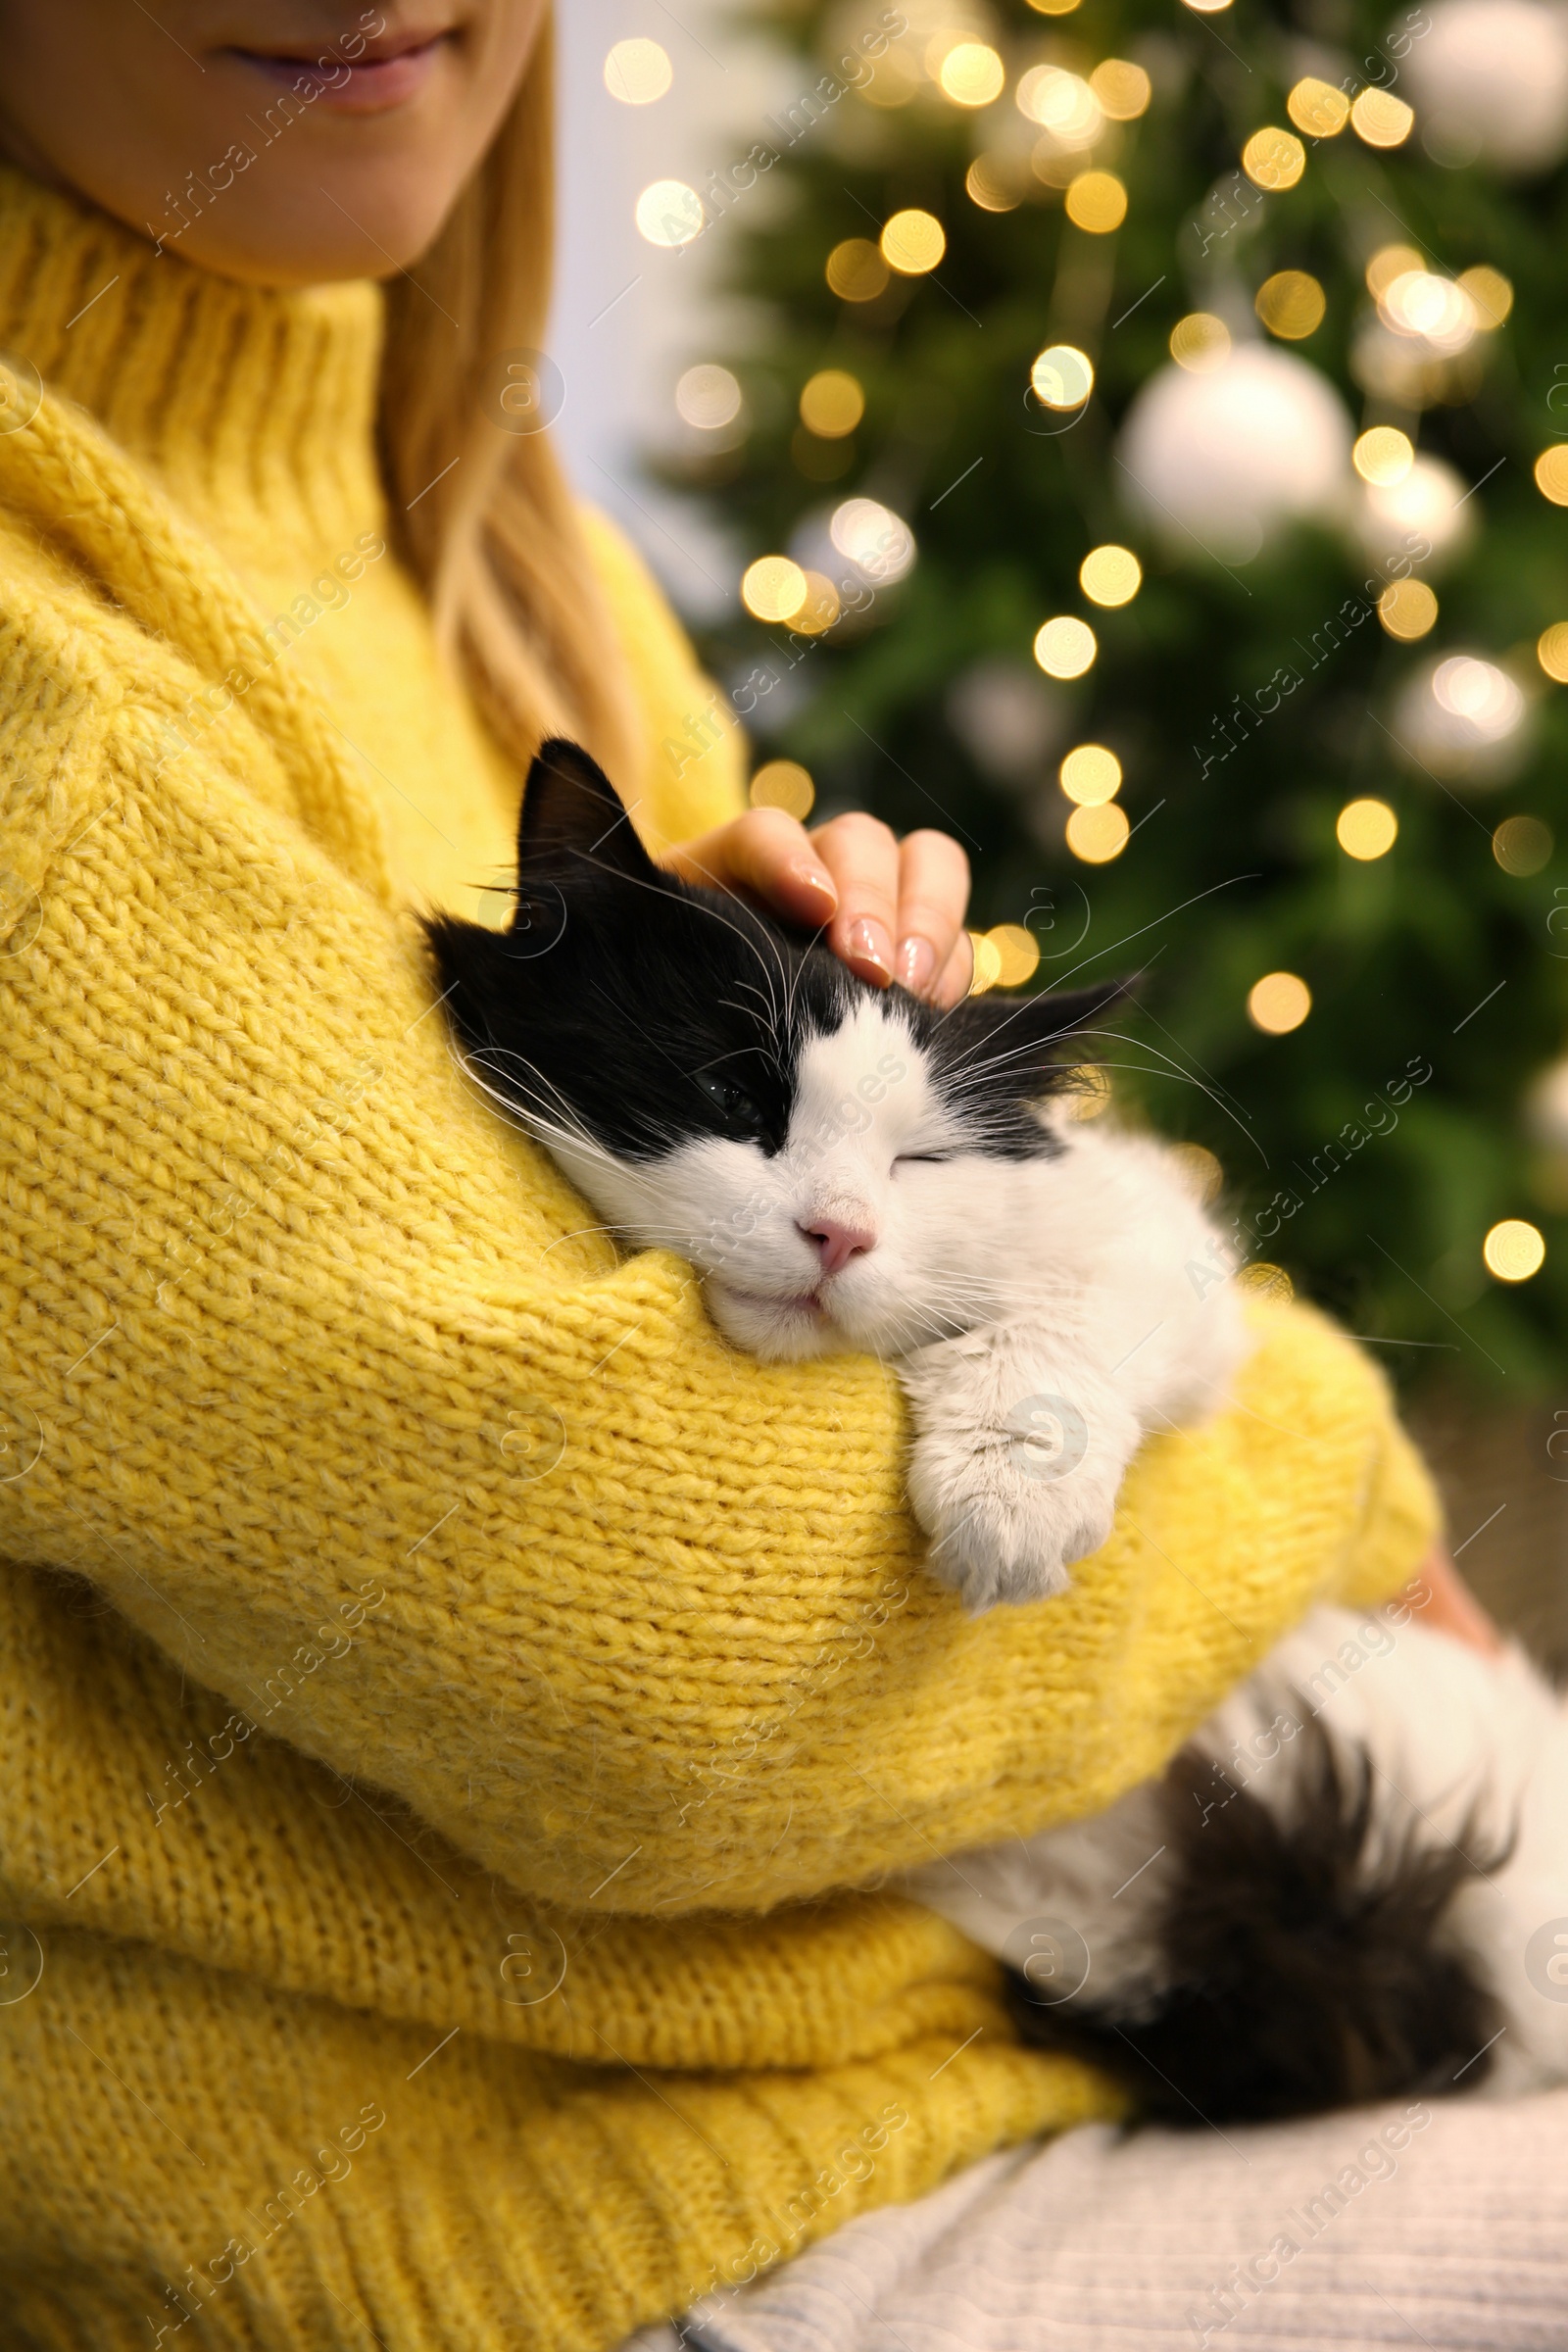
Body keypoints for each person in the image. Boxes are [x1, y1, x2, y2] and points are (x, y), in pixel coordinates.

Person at [0, 7, 1496, 2349]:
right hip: (505, 2239)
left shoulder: (490, 536)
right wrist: (1327, 1474)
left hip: (909, 2074)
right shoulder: (45, 718)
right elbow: (651, 1668)